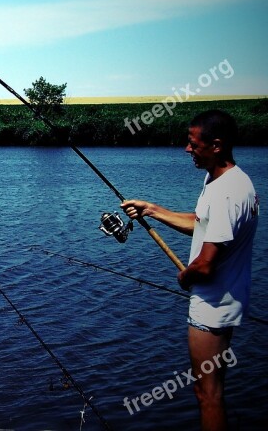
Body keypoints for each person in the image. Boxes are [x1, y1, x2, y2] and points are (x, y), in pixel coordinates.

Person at [121, 109, 258, 431]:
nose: (187, 149)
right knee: (211, 391)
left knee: (206, 393)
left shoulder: (226, 193)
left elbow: (206, 264)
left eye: (193, 144)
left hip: (212, 307)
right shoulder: (227, 180)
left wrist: (186, 275)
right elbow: (201, 223)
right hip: (226, 299)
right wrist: (152, 210)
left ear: (216, 145)